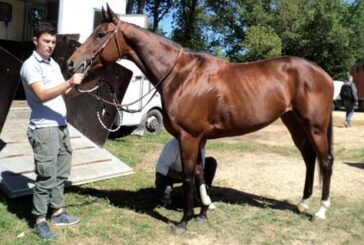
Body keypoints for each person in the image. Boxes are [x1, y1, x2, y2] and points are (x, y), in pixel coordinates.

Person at [20, 22, 84, 240]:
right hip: (43, 129)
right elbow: (42, 95)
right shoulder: (31, 66)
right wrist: (68, 81)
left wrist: (79, 86)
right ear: (35, 40)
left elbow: (65, 93)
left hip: (60, 126)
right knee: (46, 176)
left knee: (61, 173)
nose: (50, 45)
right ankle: (39, 220)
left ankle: (57, 212)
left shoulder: (53, 65)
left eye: (53, 42)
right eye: (46, 41)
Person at [155, 138, 217, 209]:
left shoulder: (200, 146)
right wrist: (183, 176)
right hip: (171, 175)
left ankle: (203, 191)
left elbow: (200, 167)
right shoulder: (173, 145)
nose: (204, 144)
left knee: (211, 162)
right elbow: (160, 168)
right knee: (165, 202)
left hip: (189, 175)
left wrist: (198, 182)